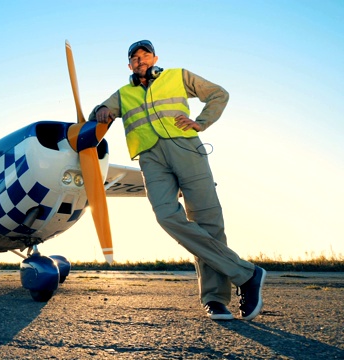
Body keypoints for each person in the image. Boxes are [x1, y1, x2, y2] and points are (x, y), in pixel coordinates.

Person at [88, 40, 265, 321]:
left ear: (155, 57)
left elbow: (219, 94)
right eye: (134, 57)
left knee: (208, 222)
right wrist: (101, 111)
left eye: (145, 55)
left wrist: (201, 122)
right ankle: (246, 274)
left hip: (186, 149)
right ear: (129, 64)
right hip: (151, 159)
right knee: (166, 215)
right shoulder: (123, 94)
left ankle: (215, 299)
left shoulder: (177, 76)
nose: (140, 60)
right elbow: (98, 113)